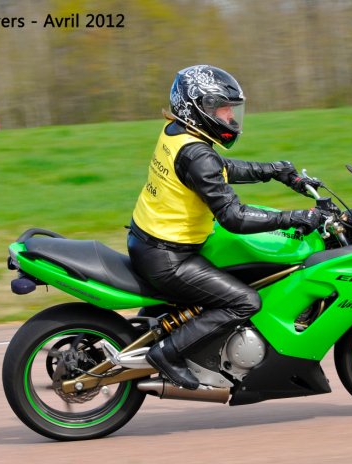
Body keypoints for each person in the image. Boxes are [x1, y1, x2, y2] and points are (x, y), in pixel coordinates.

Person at [127, 65, 322, 390]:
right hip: (169, 258)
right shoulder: (196, 153)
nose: (230, 117)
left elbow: (218, 169)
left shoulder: (179, 134)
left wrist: (274, 171)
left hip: (151, 241)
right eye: (222, 108)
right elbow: (234, 217)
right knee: (245, 301)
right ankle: (168, 353)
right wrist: (296, 217)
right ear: (198, 108)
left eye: (232, 109)